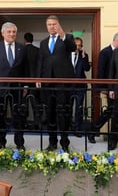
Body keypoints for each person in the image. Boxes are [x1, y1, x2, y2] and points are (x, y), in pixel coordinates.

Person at [0, 22, 29, 150]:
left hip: (18, 89)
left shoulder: (22, 48)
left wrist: (26, 85)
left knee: (19, 116)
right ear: (3, 33)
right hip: (0, 87)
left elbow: (26, 68)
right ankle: (0, 143)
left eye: (14, 32)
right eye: (9, 32)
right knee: (0, 116)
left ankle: (19, 143)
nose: (12, 34)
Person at [36, 15, 76, 152]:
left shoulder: (67, 38)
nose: (52, 26)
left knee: (63, 114)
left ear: (59, 25)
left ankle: (64, 143)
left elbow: (72, 48)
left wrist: (63, 34)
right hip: (48, 84)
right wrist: (38, 78)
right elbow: (40, 61)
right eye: (49, 24)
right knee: (50, 114)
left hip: (62, 83)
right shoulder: (43, 42)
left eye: (54, 24)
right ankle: (52, 142)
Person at [87, 32, 118, 144]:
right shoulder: (105, 52)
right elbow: (101, 71)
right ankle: (93, 131)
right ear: (117, 41)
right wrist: (101, 87)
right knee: (111, 111)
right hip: (109, 87)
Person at [71, 37, 90, 136]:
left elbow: (87, 69)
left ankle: (78, 129)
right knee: (67, 107)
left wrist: (83, 56)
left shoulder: (84, 55)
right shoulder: (66, 55)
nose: (78, 47)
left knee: (79, 108)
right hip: (68, 86)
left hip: (80, 86)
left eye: (80, 45)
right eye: (76, 45)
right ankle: (68, 127)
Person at [23, 32, 41, 129]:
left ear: (24, 40)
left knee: (23, 102)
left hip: (23, 80)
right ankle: (37, 123)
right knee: (35, 102)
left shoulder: (21, 50)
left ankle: (24, 122)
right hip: (35, 80)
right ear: (32, 40)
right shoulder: (37, 51)